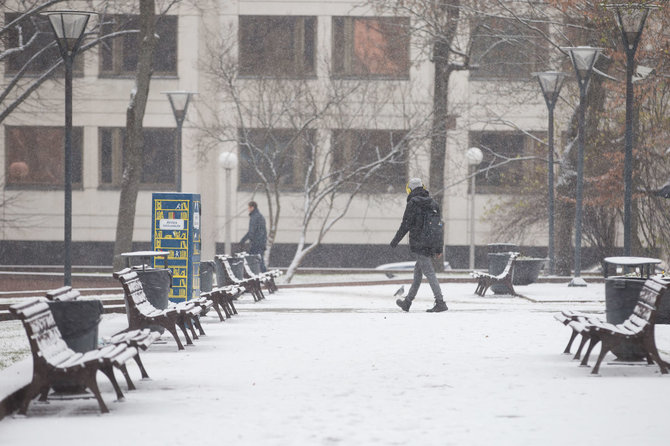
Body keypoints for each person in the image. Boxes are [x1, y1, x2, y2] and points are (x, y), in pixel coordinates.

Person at [390, 178, 448, 313]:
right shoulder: (434, 203)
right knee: (418, 273)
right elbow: (439, 228)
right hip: (431, 244)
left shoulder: (413, 204)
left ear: (410, 190)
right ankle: (407, 302)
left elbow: (405, 224)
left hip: (419, 244)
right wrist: (439, 248)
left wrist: (395, 241)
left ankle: (440, 302)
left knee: (429, 272)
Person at [240, 201, 268, 272]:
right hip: (261, 243)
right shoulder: (260, 216)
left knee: (254, 262)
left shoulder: (254, 217)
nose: (248, 209)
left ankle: (264, 278)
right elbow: (262, 231)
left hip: (256, 243)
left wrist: (243, 241)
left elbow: (251, 232)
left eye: (249, 208)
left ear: (252, 207)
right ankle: (265, 278)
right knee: (259, 261)